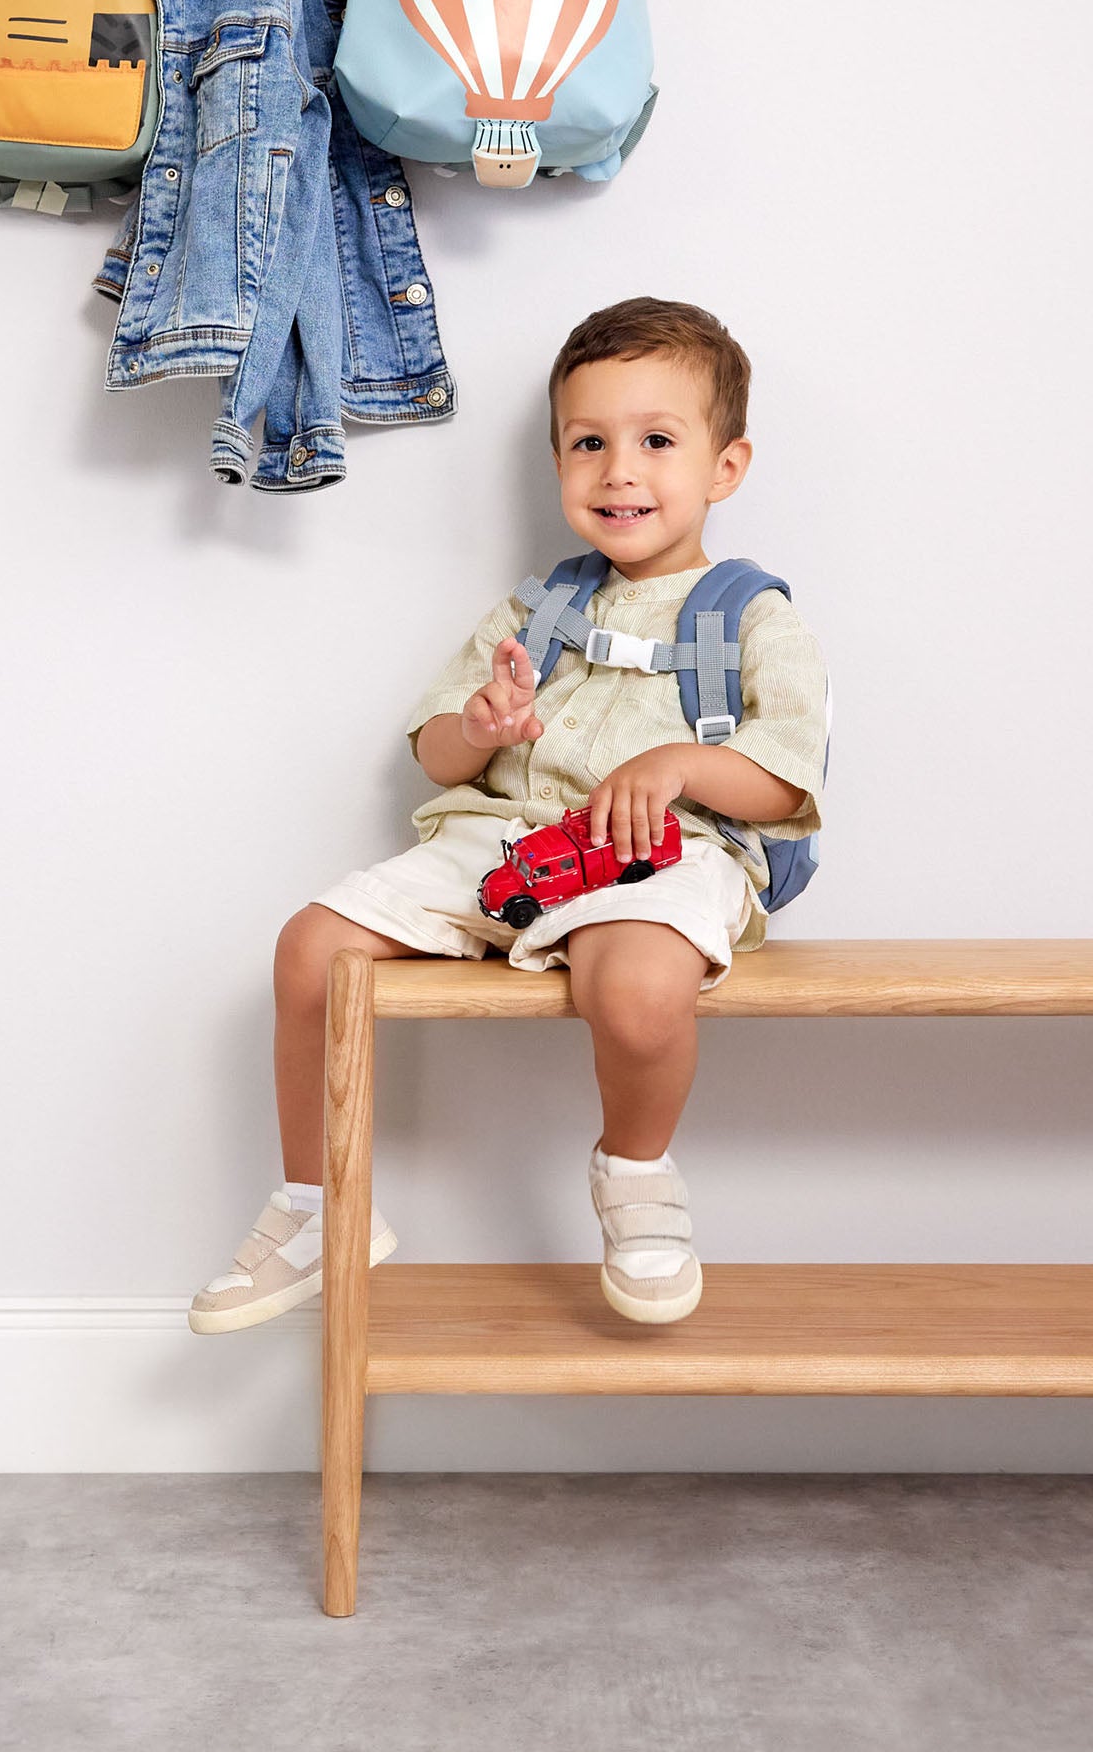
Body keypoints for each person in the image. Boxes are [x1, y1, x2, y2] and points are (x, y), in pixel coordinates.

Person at [189, 298, 829, 1332]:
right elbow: (433, 752)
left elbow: (790, 786)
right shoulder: (536, 611)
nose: (619, 469)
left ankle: (636, 1171)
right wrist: (484, 723)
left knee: (635, 982)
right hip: (507, 845)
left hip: (663, 861)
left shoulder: (752, 614)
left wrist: (680, 763)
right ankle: (317, 1203)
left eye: (656, 441)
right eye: (589, 442)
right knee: (310, 947)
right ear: (559, 459)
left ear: (725, 466)